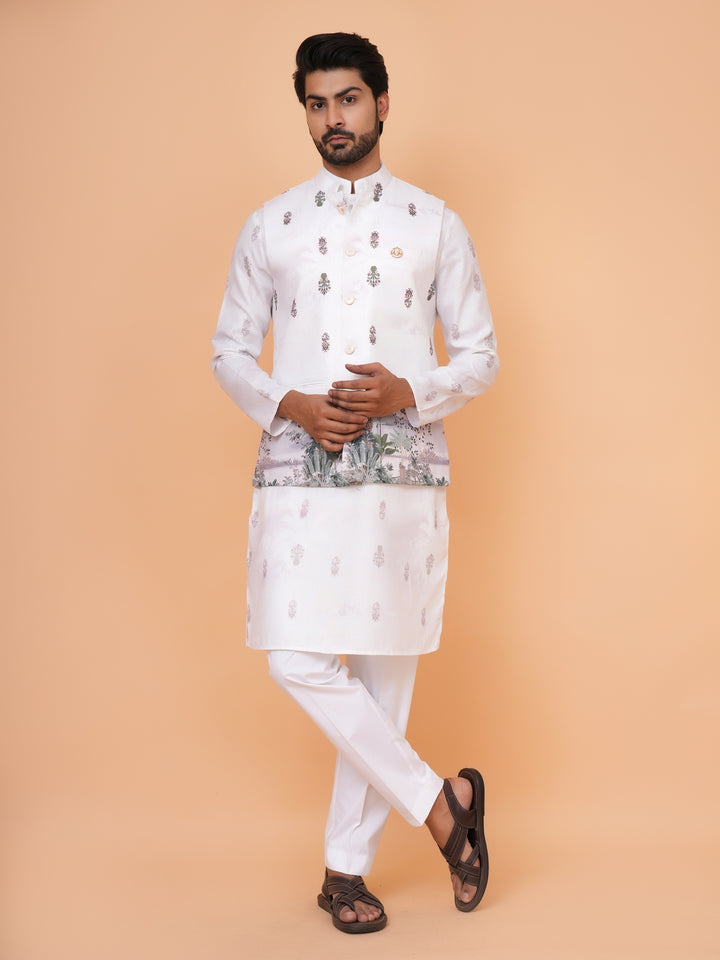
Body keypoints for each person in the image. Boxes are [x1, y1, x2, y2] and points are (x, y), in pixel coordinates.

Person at [211, 32, 498, 933]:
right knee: (298, 657)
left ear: (381, 103)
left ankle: (345, 874)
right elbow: (227, 349)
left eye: (347, 99)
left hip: (401, 476)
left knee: (382, 688)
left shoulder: (434, 223)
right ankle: (441, 809)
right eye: (316, 102)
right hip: (302, 467)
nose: (332, 118)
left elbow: (482, 356)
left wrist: (413, 390)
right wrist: (286, 402)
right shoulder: (271, 224)